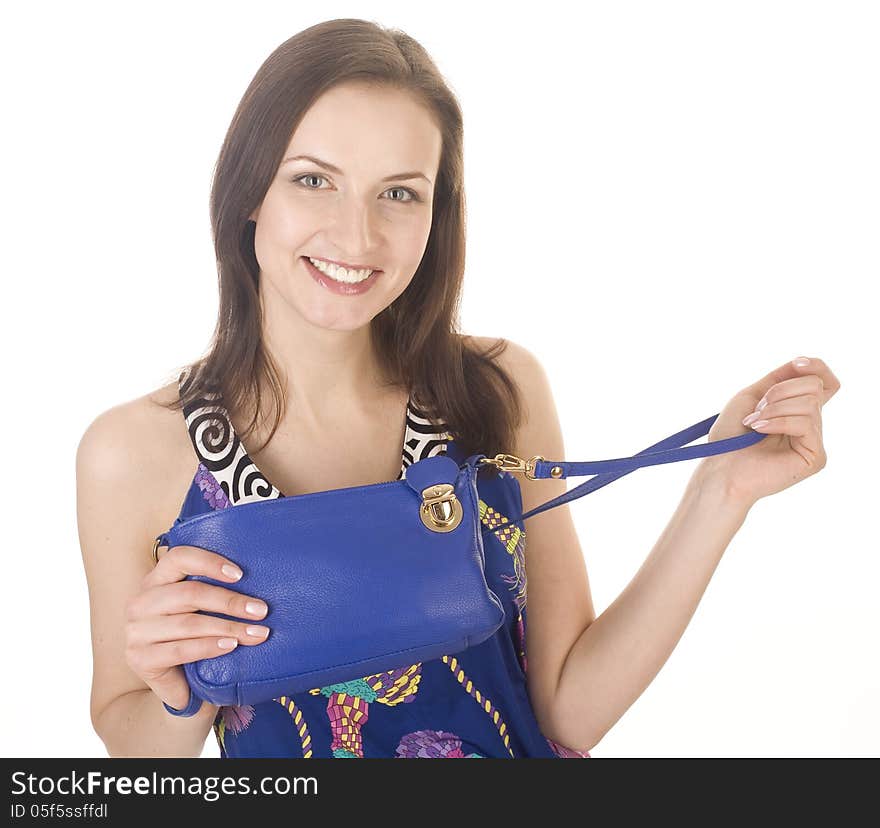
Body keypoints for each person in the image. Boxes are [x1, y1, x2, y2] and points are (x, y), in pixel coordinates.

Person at [75, 19, 839, 759]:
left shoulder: (497, 389)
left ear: (437, 214)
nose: (357, 235)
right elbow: (129, 737)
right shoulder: (134, 451)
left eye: (400, 193)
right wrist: (181, 690)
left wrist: (719, 492)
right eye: (314, 180)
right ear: (250, 190)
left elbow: (569, 707)